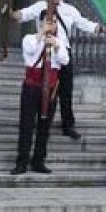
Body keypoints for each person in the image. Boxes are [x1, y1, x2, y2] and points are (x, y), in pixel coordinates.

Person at [13, 0, 101, 140]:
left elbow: (83, 23)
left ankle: (68, 124)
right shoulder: (40, 6)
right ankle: (36, 121)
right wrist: (15, 14)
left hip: (62, 51)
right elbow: (23, 14)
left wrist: (98, 27)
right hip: (45, 50)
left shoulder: (70, 10)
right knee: (42, 87)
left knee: (66, 90)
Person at [12, 17, 68, 175]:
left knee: (45, 126)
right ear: (41, 23)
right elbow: (29, 50)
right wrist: (42, 35)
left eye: (55, 22)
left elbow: (64, 60)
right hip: (32, 86)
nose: (52, 25)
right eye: (49, 21)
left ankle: (39, 160)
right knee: (27, 125)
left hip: (50, 87)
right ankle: (22, 161)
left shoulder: (59, 41)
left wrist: (56, 45)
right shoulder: (30, 38)